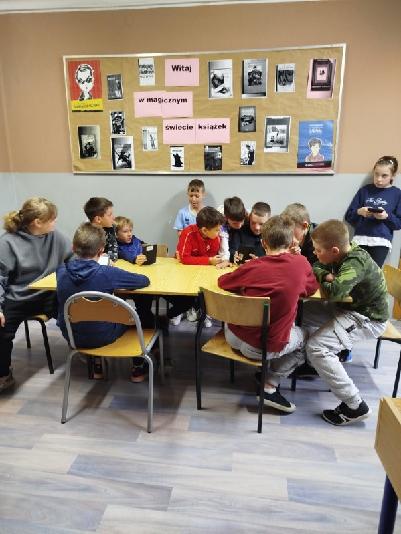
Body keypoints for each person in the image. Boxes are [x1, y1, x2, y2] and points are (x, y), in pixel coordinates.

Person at [218, 215, 319, 413]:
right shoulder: (301, 264)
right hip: (263, 347)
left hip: (233, 336)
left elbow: (224, 282)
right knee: (308, 335)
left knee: (276, 325)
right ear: (291, 242)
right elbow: (311, 289)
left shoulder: (251, 266)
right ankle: (270, 385)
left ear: (263, 243)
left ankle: (263, 373)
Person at [305, 220, 388, 425]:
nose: (315, 253)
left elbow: (335, 292)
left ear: (334, 250)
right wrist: (327, 275)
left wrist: (329, 280)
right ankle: (304, 364)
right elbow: (316, 266)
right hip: (346, 308)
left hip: (366, 318)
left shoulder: (355, 262)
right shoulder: (339, 254)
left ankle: (355, 405)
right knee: (300, 313)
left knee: (317, 347)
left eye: (318, 250)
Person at [57, 223, 151, 383]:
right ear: (101, 251)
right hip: (104, 336)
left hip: (72, 336)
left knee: (92, 317)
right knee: (139, 318)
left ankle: (97, 365)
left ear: (73, 248)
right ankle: (138, 366)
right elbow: (143, 281)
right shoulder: (107, 273)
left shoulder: (61, 271)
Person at [0, 197, 72, 392]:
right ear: (37, 222)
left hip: (49, 295)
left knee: (77, 311)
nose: (55, 222)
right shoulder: (7, 242)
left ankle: (85, 351)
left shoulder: (56, 237)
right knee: (2, 331)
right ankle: (3, 374)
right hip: (18, 298)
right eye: (52, 219)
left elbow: (74, 259)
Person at [169, 207, 226, 328]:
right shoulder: (188, 233)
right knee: (186, 298)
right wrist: (208, 260)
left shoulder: (215, 238)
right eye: (217, 230)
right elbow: (185, 259)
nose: (219, 232)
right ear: (204, 230)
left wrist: (207, 260)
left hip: (204, 272)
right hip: (184, 273)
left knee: (207, 290)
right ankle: (182, 311)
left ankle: (202, 312)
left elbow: (212, 257)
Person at [345, 156, 401, 268]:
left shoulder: (397, 194)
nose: (379, 179)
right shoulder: (364, 190)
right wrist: (359, 212)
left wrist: (386, 216)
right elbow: (349, 216)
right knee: (354, 271)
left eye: (384, 176)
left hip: (381, 241)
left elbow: (398, 224)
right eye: (376, 174)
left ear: (393, 175)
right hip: (360, 239)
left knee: (373, 273)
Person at [172, 179, 205, 325]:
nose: (194, 199)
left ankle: (201, 312)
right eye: (191, 196)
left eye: (197, 196)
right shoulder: (182, 212)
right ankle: (180, 310)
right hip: (184, 253)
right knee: (182, 282)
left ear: (203, 195)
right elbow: (180, 234)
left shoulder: (207, 213)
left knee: (200, 283)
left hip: (201, 255)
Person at [84, 197, 118, 262]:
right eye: (110, 215)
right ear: (98, 219)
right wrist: (103, 259)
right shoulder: (85, 234)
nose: (114, 217)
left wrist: (107, 259)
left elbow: (114, 251)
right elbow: (85, 257)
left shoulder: (111, 228)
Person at [218, 196, 247, 262]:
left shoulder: (247, 214)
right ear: (226, 218)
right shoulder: (221, 222)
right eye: (235, 223)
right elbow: (224, 245)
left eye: (241, 221)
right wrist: (225, 260)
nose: (239, 226)